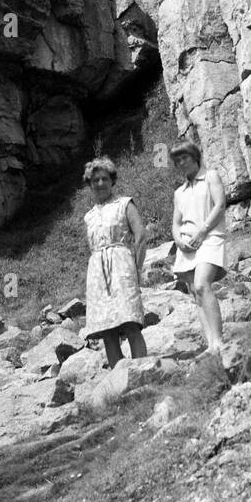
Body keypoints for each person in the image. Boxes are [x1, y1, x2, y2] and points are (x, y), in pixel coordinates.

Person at [81, 156, 148, 367]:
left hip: (121, 265)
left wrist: (137, 268)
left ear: (112, 181)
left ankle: (142, 369)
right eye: (95, 180)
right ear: (90, 184)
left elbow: (140, 236)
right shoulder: (89, 216)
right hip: (97, 272)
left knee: (130, 322)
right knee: (107, 329)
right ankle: (119, 377)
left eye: (104, 179)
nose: (100, 183)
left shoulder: (124, 204)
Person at [170, 142, 228, 358]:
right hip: (187, 244)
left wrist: (203, 231)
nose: (181, 163)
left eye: (184, 157)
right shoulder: (179, 192)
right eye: (177, 160)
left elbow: (220, 205)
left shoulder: (211, 176)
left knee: (202, 284)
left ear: (195, 156)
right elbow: (176, 222)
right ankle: (211, 344)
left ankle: (219, 341)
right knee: (195, 293)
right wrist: (177, 240)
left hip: (210, 236)